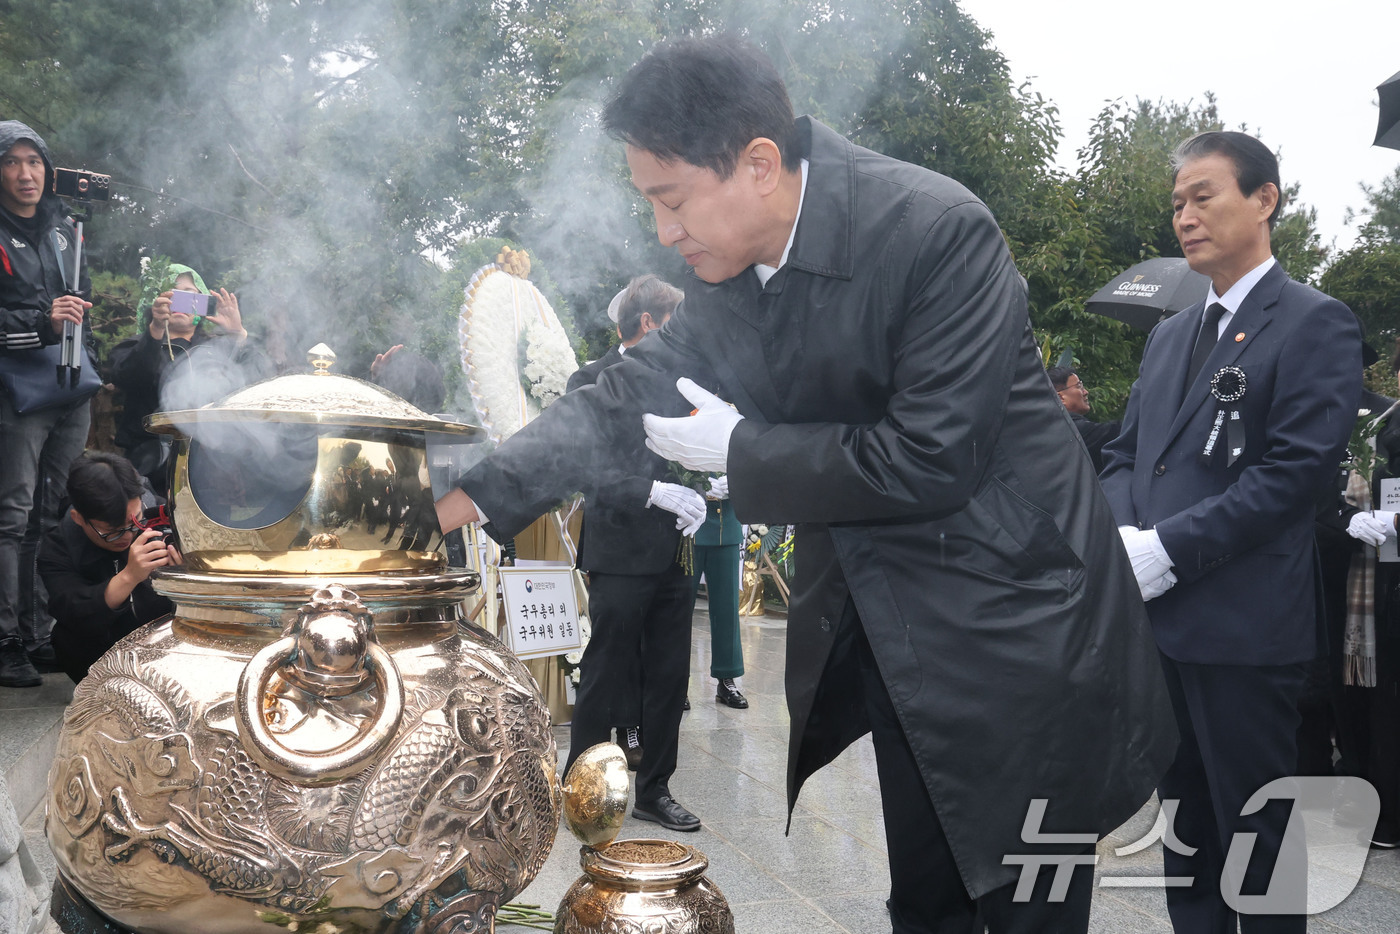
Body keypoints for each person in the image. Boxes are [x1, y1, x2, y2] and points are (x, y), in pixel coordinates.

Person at [436, 36, 1175, 932]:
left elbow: (933, 455)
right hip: (901, 632)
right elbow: (625, 391)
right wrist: (462, 499)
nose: (664, 232)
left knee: (1029, 901)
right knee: (929, 901)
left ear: (756, 164)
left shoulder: (936, 230)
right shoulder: (732, 275)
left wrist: (741, 447)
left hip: (1019, 627)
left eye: (672, 201)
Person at [1099, 131, 1362, 933]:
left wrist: (1166, 548)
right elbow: (1123, 456)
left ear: (1265, 199)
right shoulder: (1171, 334)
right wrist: (1122, 534)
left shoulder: (1315, 322)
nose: (1185, 216)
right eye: (1176, 202)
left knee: (1261, 841)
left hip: (1246, 632)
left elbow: (1294, 477)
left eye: (1203, 195)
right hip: (1164, 630)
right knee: (1189, 838)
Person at [561, 274, 708, 829]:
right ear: (649, 323)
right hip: (620, 547)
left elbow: (696, 444)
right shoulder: (591, 378)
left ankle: (654, 787)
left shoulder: (682, 378)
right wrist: (650, 490)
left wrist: (713, 477)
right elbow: (581, 467)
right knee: (609, 667)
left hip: (677, 548)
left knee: (670, 673)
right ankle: (583, 781)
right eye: (675, 325)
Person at [0, 121, 94, 687]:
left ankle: (37, 635)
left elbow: (77, 301)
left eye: (34, 162)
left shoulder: (66, 232)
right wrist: (41, 322)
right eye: (12, 162)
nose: (25, 174)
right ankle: (5, 636)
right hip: (17, 389)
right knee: (10, 515)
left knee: (51, 512)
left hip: (70, 386)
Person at [109, 262, 267, 494]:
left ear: (202, 304)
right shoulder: (135, 346)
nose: (179, 302)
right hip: (149, 463)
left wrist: (238, 335)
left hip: (213, 465)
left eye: (190, 296)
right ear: (156, 300)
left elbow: (260, 383)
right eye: (172, 294)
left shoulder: (220, 347)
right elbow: (130, 377)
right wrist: (154, 333)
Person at [38, 452, 178, 683]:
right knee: (66, 637)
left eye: (134, 522)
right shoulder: (59, 546)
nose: (127, 535)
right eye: (111, 531)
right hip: (100, 657)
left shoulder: (162, 518)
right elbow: (72, 610)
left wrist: (184, 573)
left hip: (166, 646)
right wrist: (129, 576)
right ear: (78, 518)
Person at [691, 474, 748, 708]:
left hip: (726, 521)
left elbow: (757, 464)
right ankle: (675, 682)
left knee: (726, 609)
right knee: (677, 611)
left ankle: (727, 678)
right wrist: (696, 484)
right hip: (688, 523)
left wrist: (738, 481)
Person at [1046, 364, 1120, 472]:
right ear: (1060, 397)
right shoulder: (1072, 429)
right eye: (1079, 386)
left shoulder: (1045, 429)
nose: (1086, 392)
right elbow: (1117, 432)